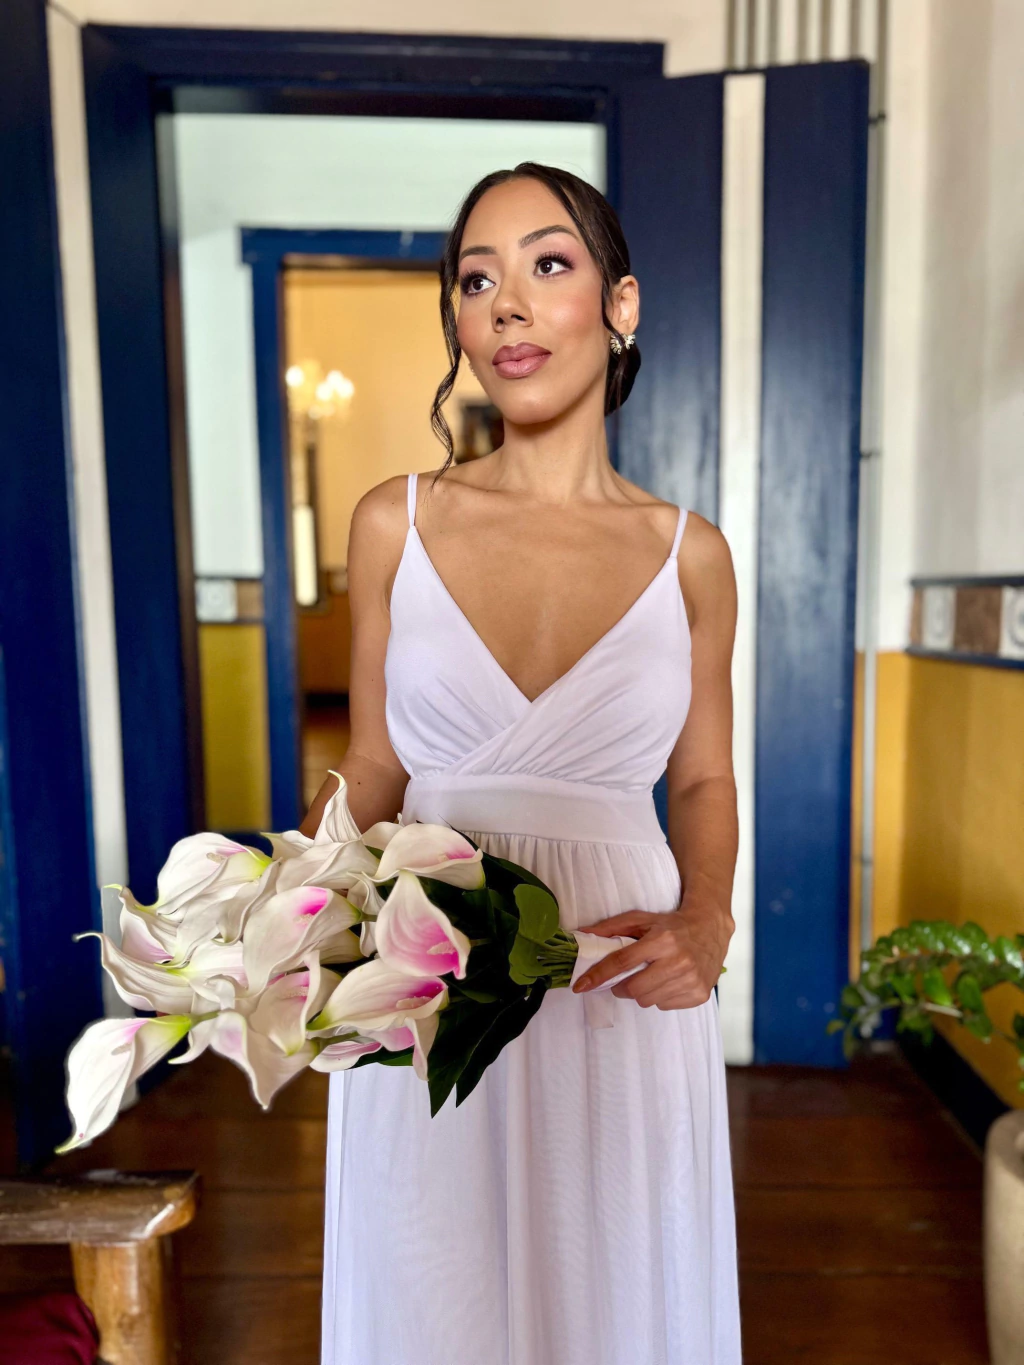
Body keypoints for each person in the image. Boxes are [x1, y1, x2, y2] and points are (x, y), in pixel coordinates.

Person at [305, 162, 742, 1365]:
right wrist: (307, 902)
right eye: (475, 279)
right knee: (431, 1287)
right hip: (427, 963)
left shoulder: (691, 555)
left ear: (620, 304)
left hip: (617, 974)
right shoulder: (392, 521)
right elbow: (374, 761)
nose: (506, 303)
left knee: (615, 1287)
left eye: (548, 264)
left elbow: (702, 779)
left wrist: (707, 920)